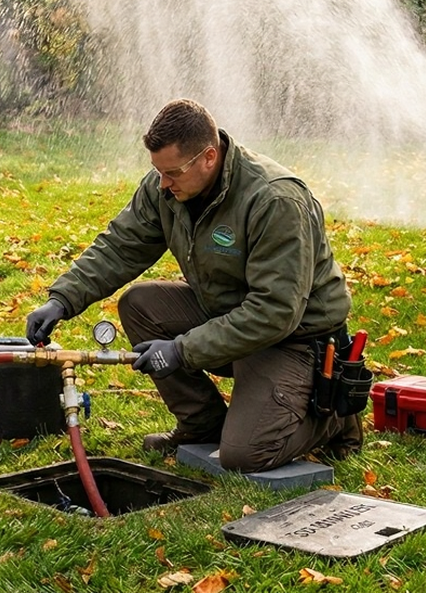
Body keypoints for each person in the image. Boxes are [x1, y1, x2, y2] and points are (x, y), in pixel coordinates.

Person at [24, 98, 361, 472]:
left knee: (246, 454)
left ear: (209, 157)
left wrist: (182, 350)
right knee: (140, 304)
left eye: (173, 173)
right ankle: (202, 425)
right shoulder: (166, 187)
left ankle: (330, 419)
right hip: (231, 315)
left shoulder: (274, 200)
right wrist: (61, 299)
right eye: (158, 172)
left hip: (296, 339)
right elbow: (120, 246)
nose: (163, 184)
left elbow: (275, 312)